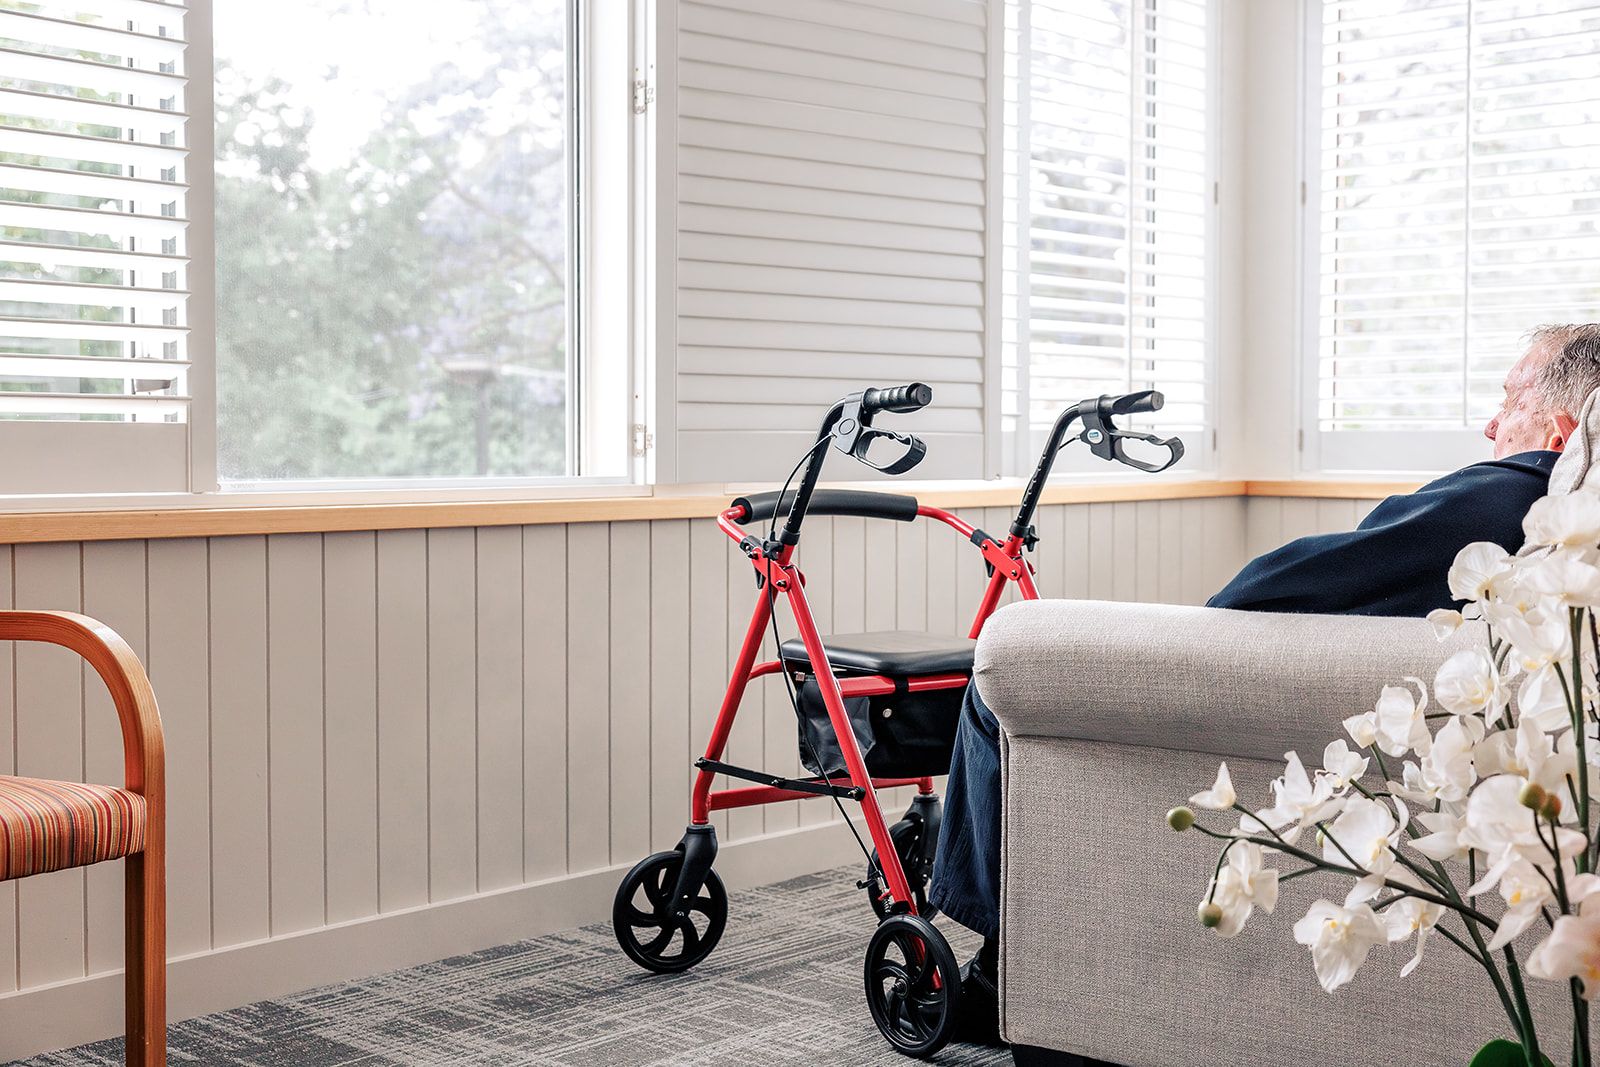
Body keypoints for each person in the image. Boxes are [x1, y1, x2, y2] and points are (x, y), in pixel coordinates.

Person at [931, 322, 1600, 1049]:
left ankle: (1000, 965)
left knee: (998, 669)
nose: (1490, 423)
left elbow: (1263, 587)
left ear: (1562, 428)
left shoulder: (1510, 489)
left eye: (1508, 399)